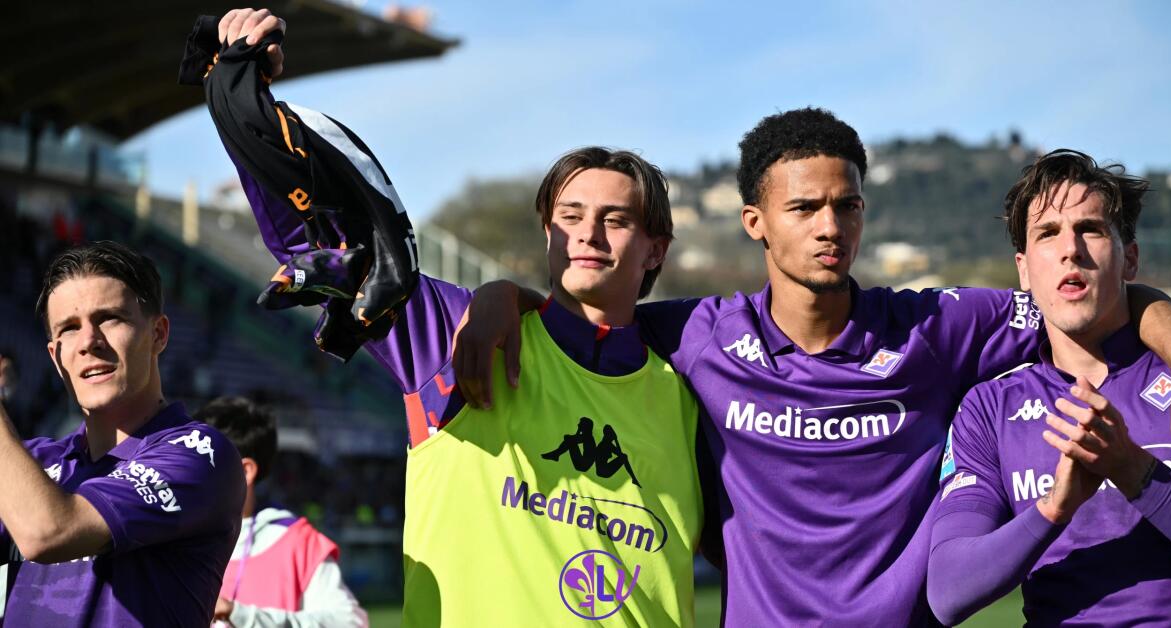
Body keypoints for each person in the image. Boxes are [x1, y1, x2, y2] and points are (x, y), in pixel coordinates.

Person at [459, 109, 1171, 624]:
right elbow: (593, 305)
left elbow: (1094, 294)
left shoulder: (936, 328)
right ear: (755, 222)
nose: (828, 228)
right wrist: (505, 297)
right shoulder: (697, 337)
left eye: (845, 207)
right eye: (804, 207)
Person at [185, 9, 707, 626]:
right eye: (569, 215)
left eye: (616, 220)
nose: (587, 234)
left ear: (657, 248)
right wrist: (238, 83)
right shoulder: (456, 336)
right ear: (546, 231)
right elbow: (328, 234)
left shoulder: (695, 391)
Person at [928, 149, 1171, 625]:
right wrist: (1056, 506)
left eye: (1090, 229)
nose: (1070, 249)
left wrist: (1131, 468)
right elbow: (949, 590)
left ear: (1129, 258)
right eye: (1048, 234)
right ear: (1024, 270)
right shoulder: (989, 408)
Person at [0, 241, 244, 625]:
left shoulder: (199, 454)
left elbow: (48, 531)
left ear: (159, 334)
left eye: (110, 318)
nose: (88, 342)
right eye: (69, 328)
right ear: (54, 356)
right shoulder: (31, 463)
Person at [196, 396, 368, 627]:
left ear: (245, 471)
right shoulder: (169, 538)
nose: (185, 473)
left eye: (198, 461)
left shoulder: (297, 543)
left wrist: (240, 615)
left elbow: (351, 622)